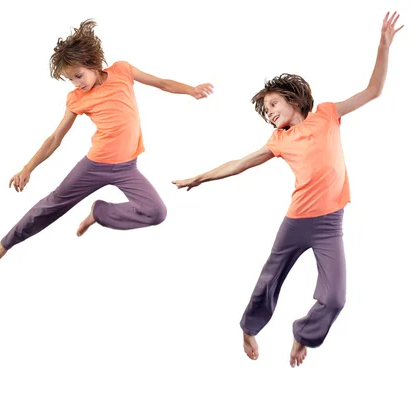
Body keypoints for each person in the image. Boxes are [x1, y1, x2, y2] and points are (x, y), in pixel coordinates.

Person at [172, 11, 403, 368]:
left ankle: (303, 335)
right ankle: (249, 327)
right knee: (270, 279)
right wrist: (200, 177)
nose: (270, 113)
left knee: (335, 298)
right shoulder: (278, 140)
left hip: (330, 224)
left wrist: (384, 46)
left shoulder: (327, 114)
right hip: (296, 222)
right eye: (265, 111)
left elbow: (373, 91)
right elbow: (241, 162)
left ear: (294, 100)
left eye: (273, 105)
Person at [0, 19, 214, 274]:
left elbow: (162, 83)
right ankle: (3, 246)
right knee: (51, 205)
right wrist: (28, 168)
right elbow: (55, 138)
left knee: (156, 212)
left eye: (78, 76)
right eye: (70, 79)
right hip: (94, 166)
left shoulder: (122, 70)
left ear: (93, 63)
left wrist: (191, 90)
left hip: (127, 167)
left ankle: (99, 212)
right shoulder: (77, 99)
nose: (76, 83)